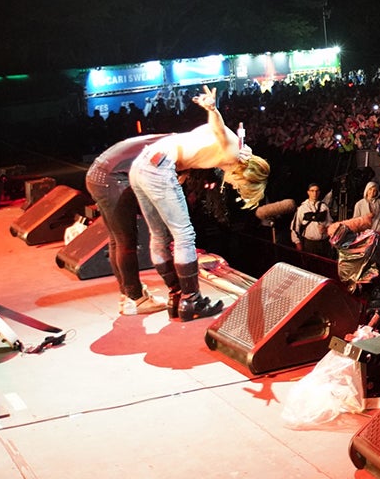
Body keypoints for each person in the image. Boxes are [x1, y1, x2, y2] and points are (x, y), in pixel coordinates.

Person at [128, 86, 269, 321]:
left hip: (142, 164)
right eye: (239, 185)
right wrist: (213, 109)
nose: (232, 186)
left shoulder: (236, 152)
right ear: (244, 175)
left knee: (159, 236)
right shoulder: (233, 151)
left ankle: (176, 296)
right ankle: (191, 300)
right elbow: (219, 129)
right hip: (159, 166)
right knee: (184, 235)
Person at [84, 133, 169, 316]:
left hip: (99, 175)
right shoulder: (173, 149)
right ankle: (136, 299)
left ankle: (128, 294)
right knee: (125, 241)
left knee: (116, 239)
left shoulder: (169, 139)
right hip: (110, 180)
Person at [291, 184, 334, 257]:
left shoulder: (324, 207)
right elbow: (295, 228)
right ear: (308, 192)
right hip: (310, 244)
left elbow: (330, 224)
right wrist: (297, 243)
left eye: (317, 191)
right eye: (312, 191)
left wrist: (326, 229)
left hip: (324, 244)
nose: (315, 193)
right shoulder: (302, 208)